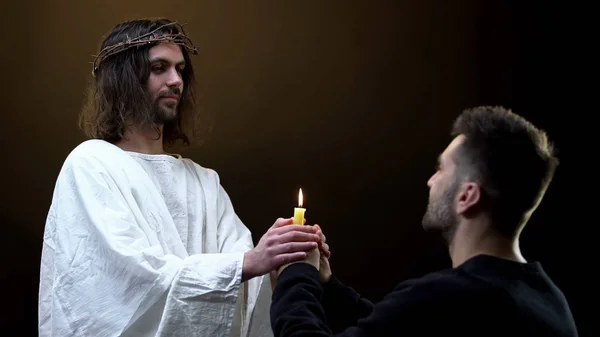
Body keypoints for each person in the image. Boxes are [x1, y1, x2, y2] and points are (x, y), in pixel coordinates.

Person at [38, 17, 327, 337]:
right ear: (124, 80)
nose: (176, 80)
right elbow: (128, 282)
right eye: (159, 67)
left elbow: (246, 283)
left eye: (180, 69)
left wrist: (284, 263)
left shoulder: (204, 183)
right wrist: (251, 261)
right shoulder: (92, 164)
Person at [270, 106, 579, 336]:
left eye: (441, 169)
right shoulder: (550, 301)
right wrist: (329, 287)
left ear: (466, 196)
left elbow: (415, 315)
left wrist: (296, 273)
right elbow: (396, 325)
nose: (431, 181)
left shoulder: (447, 298)